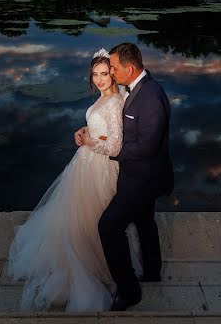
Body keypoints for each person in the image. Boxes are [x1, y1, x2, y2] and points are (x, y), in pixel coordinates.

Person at [7, 48, 133, 312]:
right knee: (74, 218)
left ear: (112, 73)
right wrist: (85, 130)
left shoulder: (115, 103)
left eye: (104, 74)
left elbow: (115, 146)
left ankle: (97, 266)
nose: (99, 79)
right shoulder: (102, 98)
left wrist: (89, 141)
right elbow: (102, 132)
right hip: (84, 165)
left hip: (100, 169)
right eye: (95, 74)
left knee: (95, 219)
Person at [76, 42, 173, 311]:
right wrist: (91, 132)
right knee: (144, 222)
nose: (112, 73)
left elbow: (146, 147)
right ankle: (152, 272)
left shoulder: (150, 98)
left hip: (142, 177)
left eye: (114, 69)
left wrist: (105, 149)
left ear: (129, 69)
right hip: (142, 172)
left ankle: (130, 291)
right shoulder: (138, 88)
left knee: (108, 226)